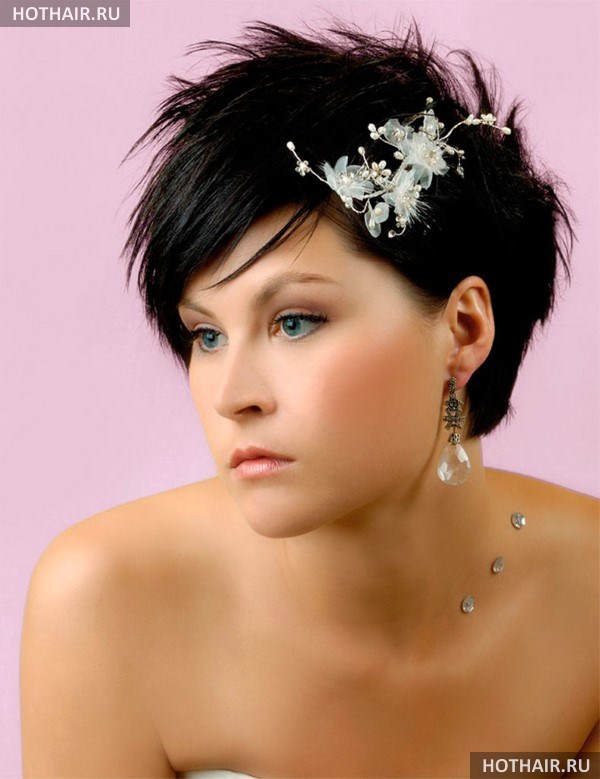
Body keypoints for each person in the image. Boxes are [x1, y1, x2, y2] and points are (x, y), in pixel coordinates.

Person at [20, 19, 599, 778]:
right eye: (206, 335)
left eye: (294, 321)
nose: (231, 397)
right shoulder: (106, 603)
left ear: (463, 329)